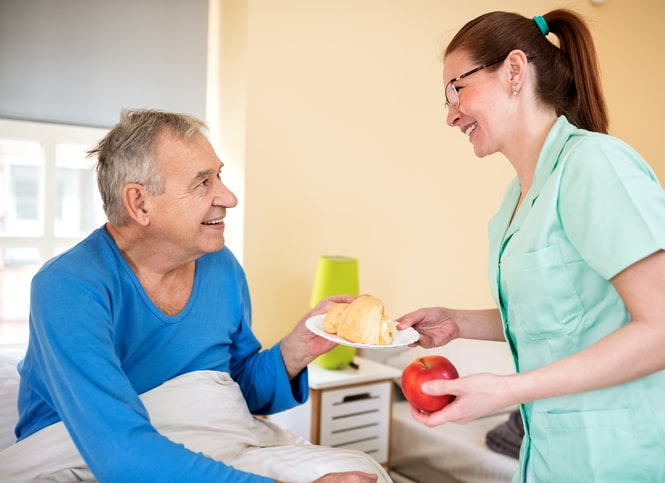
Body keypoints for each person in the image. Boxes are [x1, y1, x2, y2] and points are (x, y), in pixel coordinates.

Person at [396, 9, 665, 483]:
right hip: (551, 464)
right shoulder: (514, 202)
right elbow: (560, 318)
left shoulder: (596, 166)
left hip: (631, 462)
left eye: (456, 90)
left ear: (515, 71)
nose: (450, 115)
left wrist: (507, 390)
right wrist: (457, 323)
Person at [0, 109, 388, 483]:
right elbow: (119, 452)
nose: (229, 197)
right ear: (140, 203)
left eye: (219, 175)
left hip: (215, 445)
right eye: (203, 182)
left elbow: (234, 395)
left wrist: (295, 350)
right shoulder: (68, 287)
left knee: (363, 469)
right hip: (82, 459)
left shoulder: (222, 268)